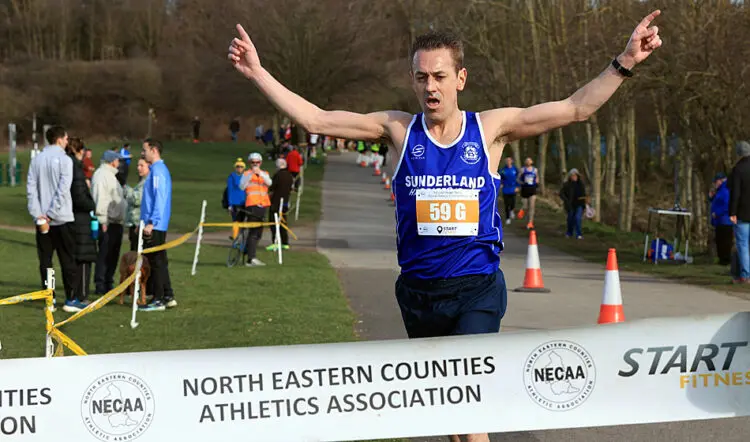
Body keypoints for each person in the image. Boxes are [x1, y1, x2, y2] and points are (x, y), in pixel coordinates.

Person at [228, 10, 662, 441]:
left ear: (460, 79)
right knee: (445, 414)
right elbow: (317, 120)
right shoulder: (398, 130)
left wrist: (624, 62)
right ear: (412, 80)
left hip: (476, 289)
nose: (430, 87)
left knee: (467, 408)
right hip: (419, 292)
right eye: (421, 78)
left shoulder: (489, 129)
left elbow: (575, 108)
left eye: (439, 76)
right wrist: (258, 73)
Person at [26, 125, 80, 312]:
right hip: (61, 218)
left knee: (46, 261)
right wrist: (50, 214)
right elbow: (63, 190)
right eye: (66, 139)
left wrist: (38, 215)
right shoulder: (65, 160)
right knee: (67, 260)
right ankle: (71, 299)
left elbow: (31, 190)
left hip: (42, 221)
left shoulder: (36, 160)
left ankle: (50, 300)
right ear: (59, 139)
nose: (67, 142)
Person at [140, 138, 177, 311]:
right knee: (160, 260)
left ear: (154, 150)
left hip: (155, 224)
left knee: (156, 262)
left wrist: (152, 222)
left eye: (145, 150)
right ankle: (168, 295)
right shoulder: (156, 170)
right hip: (154, 223)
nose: (142, 153)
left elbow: (159, 198)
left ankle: (159, 299)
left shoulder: (157, 171)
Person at [66, 137, 97, 306]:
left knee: (73, 258)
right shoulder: (76, 169)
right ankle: (81, 295)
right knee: (84, 259)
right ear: (80, 151)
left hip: (71, 218)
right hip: (80, 220)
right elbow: (79, 197)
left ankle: (74, 294)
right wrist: (92, 204)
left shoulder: (68, 165)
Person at [91, 150, 127, 295]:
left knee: (113, 255)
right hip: (107, 222)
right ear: (112, 161)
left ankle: (108, 281)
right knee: (105, 255)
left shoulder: (111, 175)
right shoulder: (101, 175)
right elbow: (101, 198)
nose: (119, 163)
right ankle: (100, 284)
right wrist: (102, 219)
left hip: (115, 221)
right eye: (117, 160)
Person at [239, 152, 272, 266]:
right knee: (254, 232)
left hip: (263, 205)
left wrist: (260, 174)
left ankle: (248, 252)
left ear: (260, 163)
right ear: (250, 163)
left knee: (259, 233)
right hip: (252, 205)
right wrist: (250, 175)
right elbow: (242, 186)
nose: (255, 164)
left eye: (257, 162)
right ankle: (251, 258)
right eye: (253, 162)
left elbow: (269, 183)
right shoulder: (246, 174)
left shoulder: (264, 173)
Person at [729, 140, 750, 283]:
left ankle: (746, 275)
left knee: (743, 244)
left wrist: (732, 212)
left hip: (742, 212)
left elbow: (735, 193)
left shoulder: (738, 169)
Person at [266, 157, 294, 251]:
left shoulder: (278, 175)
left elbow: (272, 187)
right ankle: (285, 242)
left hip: (276, 202)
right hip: (285, 202)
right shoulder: (289, 176)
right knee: (283, 222)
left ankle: (276, 242)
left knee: (274, 222)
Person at [125, 156, 150, 251]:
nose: (138, 168)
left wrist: (126, 188)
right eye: (137, 165)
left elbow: (137, 200)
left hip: (139, 224)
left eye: (142, 165)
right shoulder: (143, 181)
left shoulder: (147, 182)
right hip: (136, 224)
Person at [710, 172, 732, 266]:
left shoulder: (725, 191)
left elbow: (727, 206)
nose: (715, 184)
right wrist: (711, 198)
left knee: (725, 242)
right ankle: (721, 259)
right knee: (719, 241)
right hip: (719, 221)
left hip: (725, 220)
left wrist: (717, 213)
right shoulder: (719, 191)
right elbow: (716, 202)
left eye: (716, 182)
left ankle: (725, 260)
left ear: (720, 181)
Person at [559, 168, 587, 239]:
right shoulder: (566, 185)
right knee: (570, 219)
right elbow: (561, 194)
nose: (574, 177)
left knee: (577, 218)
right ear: (570, 176)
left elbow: (584, 195)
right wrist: (566, 201)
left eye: (575, 175)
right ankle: (569, 233)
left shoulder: (581, 185)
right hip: (570, 205)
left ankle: (579, 234)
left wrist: (584, 206)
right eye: (573, 175)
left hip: (579, 204)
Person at [226, 158, 248, 240]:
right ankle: (235, 236)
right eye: (238, 167)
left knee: (243, 220)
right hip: (235, 202)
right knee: (235, 220)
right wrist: (230, 204)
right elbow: (230, 190)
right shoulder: (232, 177)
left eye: (241, 167)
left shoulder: (246, 176)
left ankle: (242, 236)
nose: (239, 168)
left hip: (244, 202)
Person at [517, 157, 538, 230]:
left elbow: (537, 178)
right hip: (524, 190)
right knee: (525, 207)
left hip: (532, 190)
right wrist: (522, 183)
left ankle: (530, 223)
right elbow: (518, 179)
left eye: (529, 161)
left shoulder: (535, 170)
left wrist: (536, 183)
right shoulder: (522, 170)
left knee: (532, 207)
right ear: (525, 162)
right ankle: (522, 213)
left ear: (532, 162)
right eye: (527, 161)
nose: (528, 162)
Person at [498, 157, 519, 225]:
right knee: (507, 204)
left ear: (512, 161)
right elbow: (499, 177)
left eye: (509, 160)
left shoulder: (515, 169)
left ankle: (512, 210)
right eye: (507, 160)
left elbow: (518, 178)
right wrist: (501, 184)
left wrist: (517, 186)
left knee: (513, 202)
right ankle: (508, 218)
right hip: (505, 189)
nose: (508, 162)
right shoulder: (503, 170)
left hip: (513, 188)